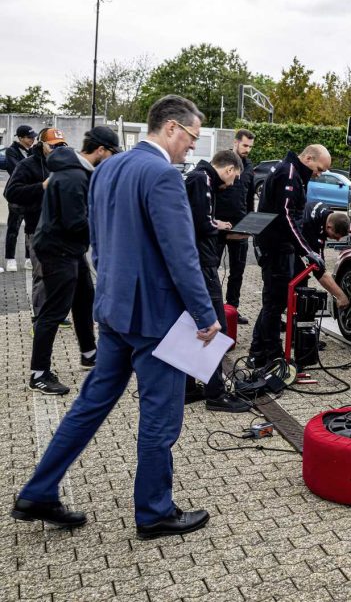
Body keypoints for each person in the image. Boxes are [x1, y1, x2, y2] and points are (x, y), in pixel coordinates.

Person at [11, 95, 219, 539]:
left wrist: (108, 289)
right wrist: (205, 315)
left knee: (90, 405)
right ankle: (155, 512)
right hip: (155, 320)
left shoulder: (108, 168)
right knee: (160, 417)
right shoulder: (162, 175)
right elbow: (181, 256)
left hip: (115, 311)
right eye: (192, 138)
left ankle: (39, 490)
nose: (192, 149)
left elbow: (99, 239)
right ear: (172, 128)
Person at [26, 126, 120, 395]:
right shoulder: (72, 177)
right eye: (112, 153)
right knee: (53, 311)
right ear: (100, 150)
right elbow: (74, 223)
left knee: (83, 299)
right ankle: (39, 373)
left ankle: (89, 353)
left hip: (71, 249)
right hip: (57, 250)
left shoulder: (79, 173)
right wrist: (106, 222)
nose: (113, 159)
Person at [248, 144, 342, 368]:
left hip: (281, 246)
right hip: (276, 247)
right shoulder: (289, 174)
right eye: (319, 169)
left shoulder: (293, 173)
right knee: (274, 303)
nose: (319, 174)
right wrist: (306, 251)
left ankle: (259, 351)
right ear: (308, 158)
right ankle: (271, 356)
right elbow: (287, 217)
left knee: (275, 302)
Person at [185, 149, 250, 413]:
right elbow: (200, 223)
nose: (232, 184)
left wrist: (215, 224)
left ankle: (188, 387)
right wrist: (219, 226)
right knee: (216, 327)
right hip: (202, 264)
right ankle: (216, 394)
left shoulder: (198, 178)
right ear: (230, 169)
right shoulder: (202, 180)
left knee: (194, 327)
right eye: (235, 178)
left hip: (196, 263)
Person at [5, 128, 66, 274]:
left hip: (61, 230)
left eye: (60, 146)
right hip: (38, 229)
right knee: (42, 278)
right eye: (52, 146)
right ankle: (11, 258)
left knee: (61, 277)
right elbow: (11, 192)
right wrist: (42, 186)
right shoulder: (27, 164)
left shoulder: (64, 163)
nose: (56, 150)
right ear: (42, 144)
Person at [215, 129, 256, 325]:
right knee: (211, 268)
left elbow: (249, 197)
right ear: (236, 142)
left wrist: (250, 223)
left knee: (237, 271)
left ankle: (233, 309)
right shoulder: (223, 162)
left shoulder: (249, 168)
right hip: (218, 227)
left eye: (250, 146)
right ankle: (213, 310)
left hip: (240, 227)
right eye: (245, 145)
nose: (247, 149)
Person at [3, 125, 36, 272]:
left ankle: (29, 259)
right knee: (13, 228)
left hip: (31, 194)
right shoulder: (12, 151)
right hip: (17, 195)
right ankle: (10, 259)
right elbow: (16, 170)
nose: (32, 140)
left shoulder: (33, 151)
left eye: (33, 137)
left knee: (30, 229)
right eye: (29, 137)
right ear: (21, 138)